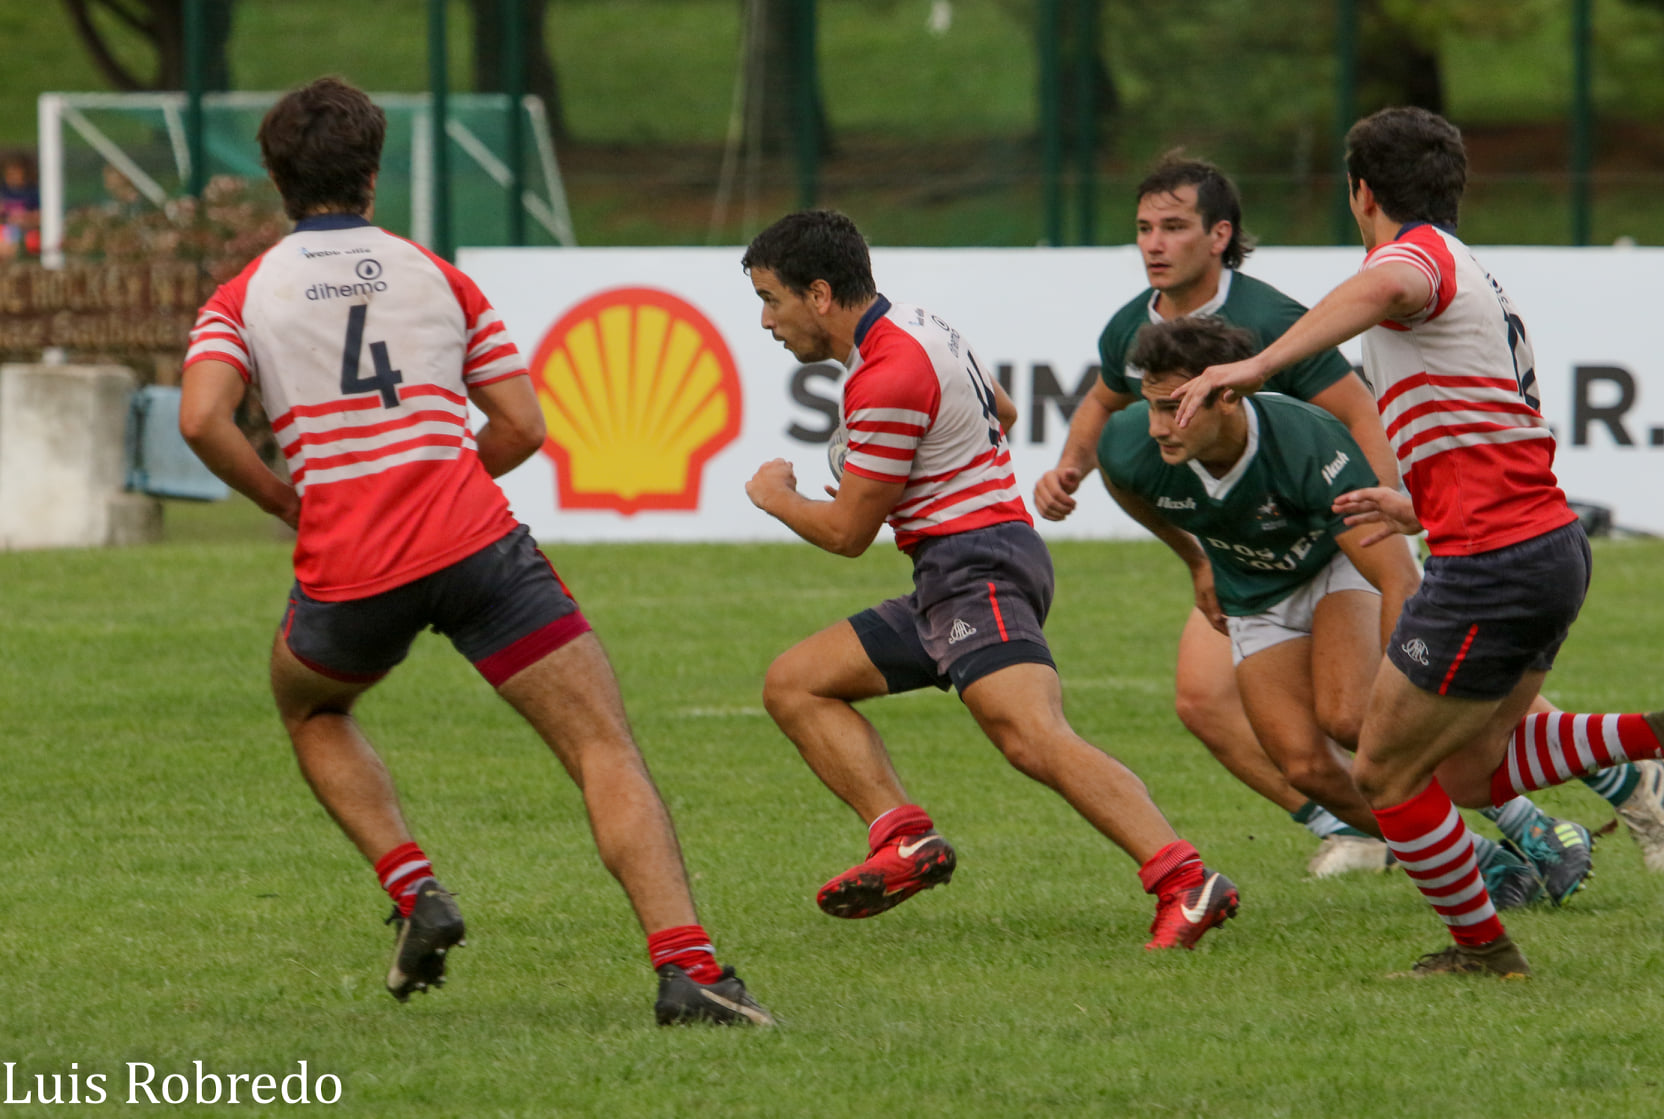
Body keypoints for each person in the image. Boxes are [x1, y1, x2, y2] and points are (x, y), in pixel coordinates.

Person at [178, 77, 771, 1025]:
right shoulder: (435, 274)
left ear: (275, 179)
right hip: (474, 542)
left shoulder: (244, 295)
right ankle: (689, 970)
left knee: (311, 707)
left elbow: (202, 418)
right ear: (374, 173)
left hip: (351, 564)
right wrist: (446, 474)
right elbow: (524, 426)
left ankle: (416, 890)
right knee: (599, 744)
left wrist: (288, 499)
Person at [1170, 106, 1664, 977]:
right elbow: (1484, 425)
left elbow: (1390, 283)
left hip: (1495, 564)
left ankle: (1486, 950)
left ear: (1362, 192)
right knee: (1474, 773)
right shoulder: (1470, 269)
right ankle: (1650, 735)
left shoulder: (1416, 257)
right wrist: (1414, 503)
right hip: (1540, 547)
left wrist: (1249, 365)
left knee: (1386, 772)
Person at [740, 208, 1238, 951]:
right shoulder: (916, 323)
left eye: (771, 299)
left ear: (818, 295)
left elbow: (846, 533)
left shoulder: (887, 373)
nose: (765, 321)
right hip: (964, 564)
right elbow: (1001, 410)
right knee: (796, 682)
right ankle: (903, 840)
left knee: (1032, 735)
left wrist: (776, 496)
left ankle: (1184, 878)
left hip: (977, 567)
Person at [1100, 315, 1591, 909]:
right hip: (1256, 594)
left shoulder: (1307, 444)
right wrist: (1196, 560)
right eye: (1150, 406)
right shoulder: (1130, 445)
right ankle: (1475, 862)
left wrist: (1403, 690)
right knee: (1306, 766)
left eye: (1172, 408)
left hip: (1340, 565)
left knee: (1360, 722)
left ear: (1227, 397)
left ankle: (1535, 827)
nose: (1155, 427)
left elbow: (1395, 575)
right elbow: (1123, 483)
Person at [1032, 156, 1408, 877]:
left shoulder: (1269, 320)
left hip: (1328, 535)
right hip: (1243, 553)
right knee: (1204, 702)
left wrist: (1379, 517)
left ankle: (1526, 806)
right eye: (1144, 228)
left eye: (1173, 227)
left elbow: (1362, 415)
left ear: (1219, 235)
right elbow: (1104, 404)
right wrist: (1070, 468)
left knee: (1364, 714)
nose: (1154, 244)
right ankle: (1354, 824)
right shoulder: (1130, 329)